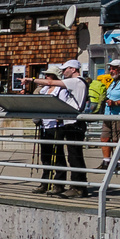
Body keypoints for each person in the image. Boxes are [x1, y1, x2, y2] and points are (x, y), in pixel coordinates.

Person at [31, 61, 89, 197]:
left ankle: (77, 187)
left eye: (65, 69)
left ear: (73, 69)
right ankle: (69, 185)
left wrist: (30, 79)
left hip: (71, 122)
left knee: (74, 157)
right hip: (65, 123)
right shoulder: (73, 82)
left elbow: (55, 90)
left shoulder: (76, 81)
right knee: (69, 156)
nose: (64, 72)